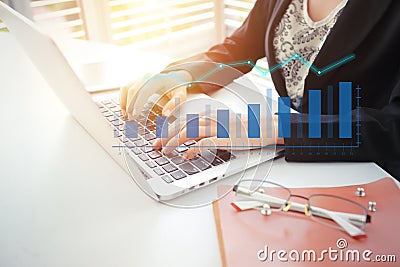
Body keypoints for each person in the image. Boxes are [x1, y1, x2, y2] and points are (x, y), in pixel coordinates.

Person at [120, 0, 400, 179]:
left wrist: (275, 128)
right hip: (292, 165)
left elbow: (394, 125)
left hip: (368, 172)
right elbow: (239, 48)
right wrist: (183, 74)